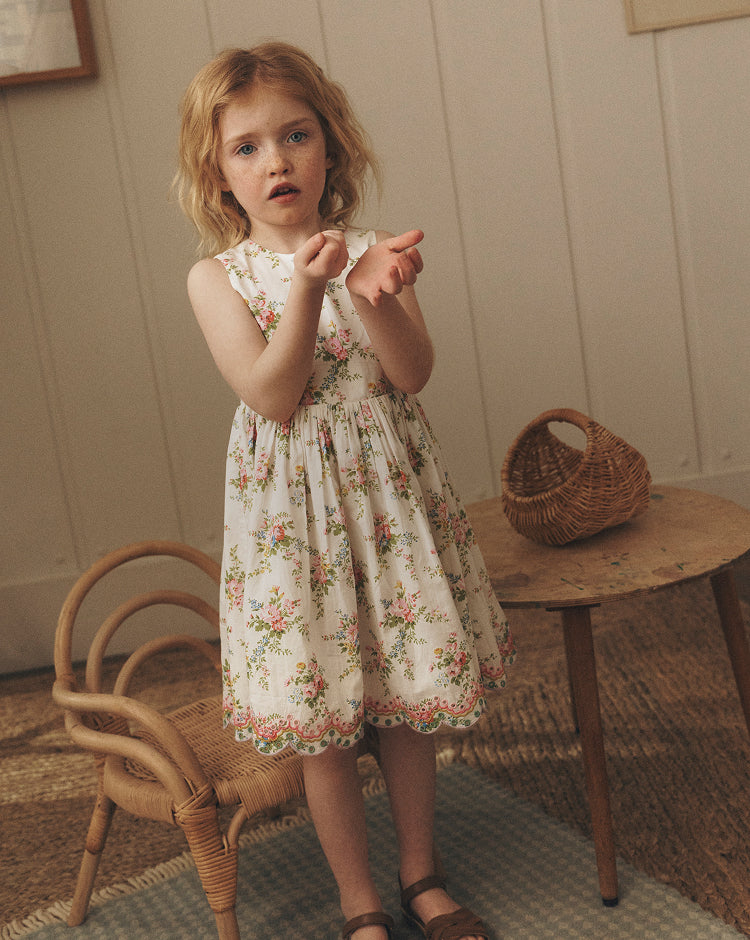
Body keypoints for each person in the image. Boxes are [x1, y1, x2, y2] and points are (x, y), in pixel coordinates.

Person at [175, 42, 515, 940]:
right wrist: (308, 288)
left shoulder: (371, 250)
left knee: (401, 702)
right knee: (327, 721)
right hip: (295, 532)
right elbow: (274, 395)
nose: (276, 160)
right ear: (219, 175)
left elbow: (411, 374)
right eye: (247, 147)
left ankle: (420, 874)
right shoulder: (217, 279)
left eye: (296, 135)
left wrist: (374, 293)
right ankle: (358, 901)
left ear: (332, 146)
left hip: (388, 513)